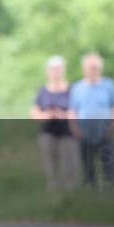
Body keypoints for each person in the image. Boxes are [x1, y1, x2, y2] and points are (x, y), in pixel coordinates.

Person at [68, 53, 114, 190]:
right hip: (84, 128)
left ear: (100, 69)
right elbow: (72, 110)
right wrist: (75, 129)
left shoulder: (109, 85)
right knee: (87, 162)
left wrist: (113, 125)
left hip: (105, 128)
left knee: (109, 162)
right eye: (91, 67)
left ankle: (110, 189)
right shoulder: (77, 88)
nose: (93, 70)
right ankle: (90, 190)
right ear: (84, 69)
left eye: (96, 67)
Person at [30, 56, 78, 195]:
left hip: (68, 133)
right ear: (48, 72)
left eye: (58, 69)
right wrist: (48, 115)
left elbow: (79, 111)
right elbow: (34, 112)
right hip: (48, 132)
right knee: (50, 165)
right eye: (53, 69)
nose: (56, 72)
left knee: (69, 165)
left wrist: (63, 115)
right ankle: (53, 194)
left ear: (63, 71)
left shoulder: (72, 90)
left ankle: (71, 195)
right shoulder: (42, 91)